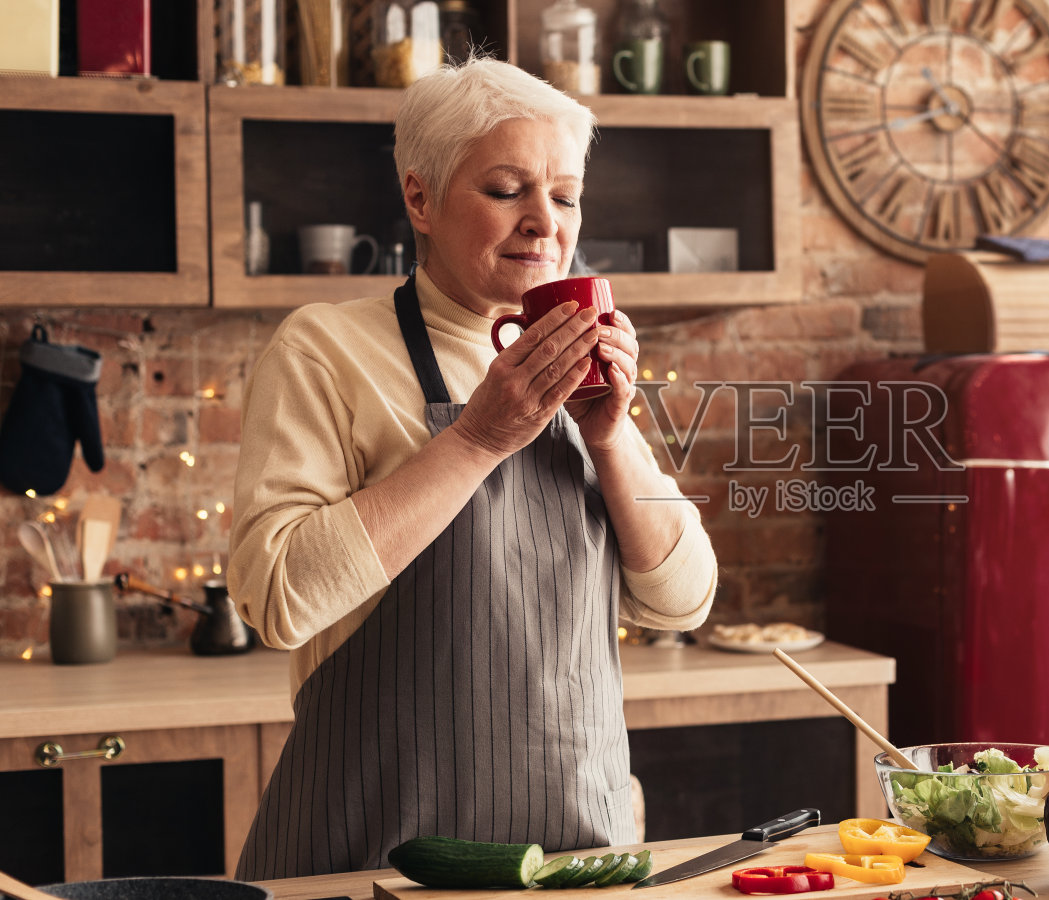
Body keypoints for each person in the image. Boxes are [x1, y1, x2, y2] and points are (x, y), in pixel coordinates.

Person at [228, 57, 717, 879]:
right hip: (367, 858)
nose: (543, 223)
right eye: (505, 190)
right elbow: (276, 598)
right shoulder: (326, 348)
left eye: (563, 197)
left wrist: (609, 436)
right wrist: (477, 441)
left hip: (572, 860)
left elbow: (684, 600)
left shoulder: (576, 365)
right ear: (419, 198)